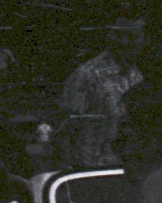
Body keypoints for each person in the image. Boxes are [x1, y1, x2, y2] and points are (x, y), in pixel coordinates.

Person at [57, 17, 146, 167]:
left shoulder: (137, 74)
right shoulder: (87, 75)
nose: (123, 42)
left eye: (132, 37)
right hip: (91, 170)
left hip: (126, 169)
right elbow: (64, 131)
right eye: (118, 35)